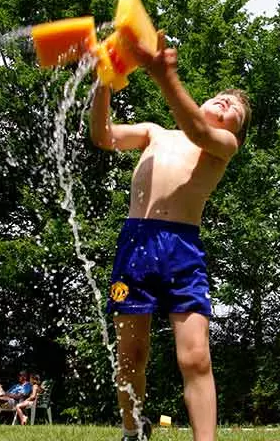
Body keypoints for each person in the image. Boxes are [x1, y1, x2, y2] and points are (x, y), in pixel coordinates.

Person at [89, 30, 251, 441]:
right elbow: (103, 135)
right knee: (131, 353)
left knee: (195, 357)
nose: (228, 102)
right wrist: (102, 83)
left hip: (182, 249)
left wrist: (164, 75)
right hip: (135, 245)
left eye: (237, 110)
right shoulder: (154, 133)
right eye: (223, 96)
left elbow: (196, 129)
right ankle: (133, 431)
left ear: (236, 130)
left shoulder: (221, 144)